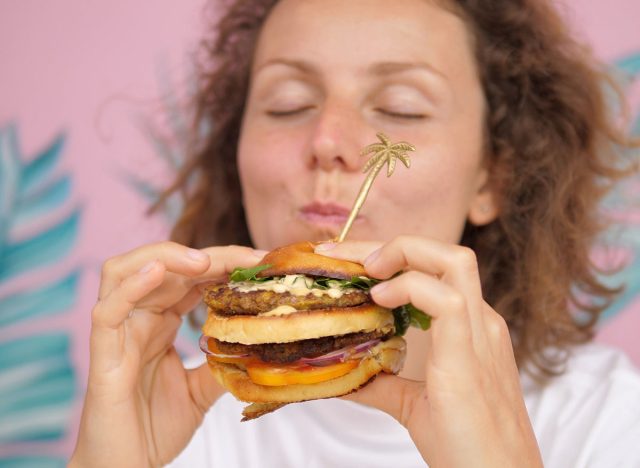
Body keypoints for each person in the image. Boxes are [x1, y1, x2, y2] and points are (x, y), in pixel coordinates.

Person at [69, 0, 640, 466]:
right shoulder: (167, 412)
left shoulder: (605, 420)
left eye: (402, 108)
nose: (327, 140)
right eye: (287, 104)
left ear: (494, 175)